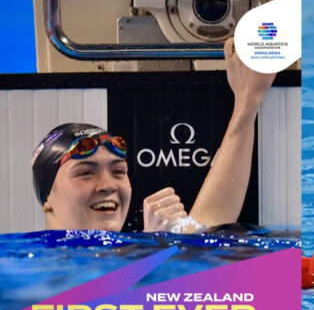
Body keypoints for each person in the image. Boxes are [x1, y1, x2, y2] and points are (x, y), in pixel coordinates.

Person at [30, 38, 277, 233]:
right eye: (85, 172)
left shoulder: (131, 249)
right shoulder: (26, 263)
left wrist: (247, 105)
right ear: (46, 197)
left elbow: (209, 223)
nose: (108, 186)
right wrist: (158, 249)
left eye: (118, 171)